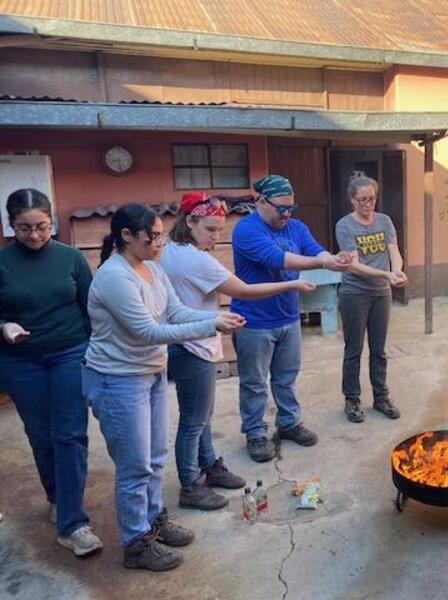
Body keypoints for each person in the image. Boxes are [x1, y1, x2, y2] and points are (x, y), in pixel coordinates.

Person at [82, 203, 243, 571]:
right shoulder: (114, 278)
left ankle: (153, 522)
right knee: (134, 465)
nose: (159, 242)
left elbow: (174, 312)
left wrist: (214, 315)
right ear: (126, 237)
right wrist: (210, 327)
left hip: (149, 373)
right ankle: (135, 543)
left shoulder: (153, 268)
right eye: (151, 236)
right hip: (117, 379)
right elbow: (148, 332)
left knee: (153, 458)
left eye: (160, 235)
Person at [160, 192, 315, 511]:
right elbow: (242, 289)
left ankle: (209, 467)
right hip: (192, 345)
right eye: (211, 229)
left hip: (192, 338)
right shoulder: (195, 259)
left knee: (202, 416)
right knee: (193, 420)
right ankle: (191, 485)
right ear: (189, 221)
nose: (217, 237)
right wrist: (291, 285)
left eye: (219, 229)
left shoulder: (172, 250)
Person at [0, 189, 103, 557]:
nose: (34, 235)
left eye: (41, 226)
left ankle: (74, 524)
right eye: (24, 228)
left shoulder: (71, 259)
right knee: (41, 435)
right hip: (19, 360)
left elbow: (92, 310)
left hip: (69, 353)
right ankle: (58, 497)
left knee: (70, 435)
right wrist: (3, 326)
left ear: (51, 221)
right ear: (10, 225)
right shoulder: (2, 262)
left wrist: (95, 353)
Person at [231, 174, 352, 462]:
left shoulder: (295, 227)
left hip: (287, 317)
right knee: (254, 382)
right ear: (261, 202)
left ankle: (288, 423)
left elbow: (314, 249)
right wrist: (324, 261)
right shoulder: (246, 230)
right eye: (281, 208)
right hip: (254, 321)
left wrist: (334, 257)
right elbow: (279, 260)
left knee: (286, 378)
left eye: (291, 208)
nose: (287, 214)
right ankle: (256, 433)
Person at [334, 172, 407, 423]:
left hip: (381, 294)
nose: (367, 204)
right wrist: (386, 274)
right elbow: (352, 265)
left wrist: (397, 271)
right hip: (354, 293)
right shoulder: (345, 225)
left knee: (379, 350)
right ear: (352, 200)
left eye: (371, 199)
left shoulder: (384, 221)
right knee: (353, 349)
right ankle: (352, 400)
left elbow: (394, 251)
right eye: (362, 199)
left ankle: (381, 397)